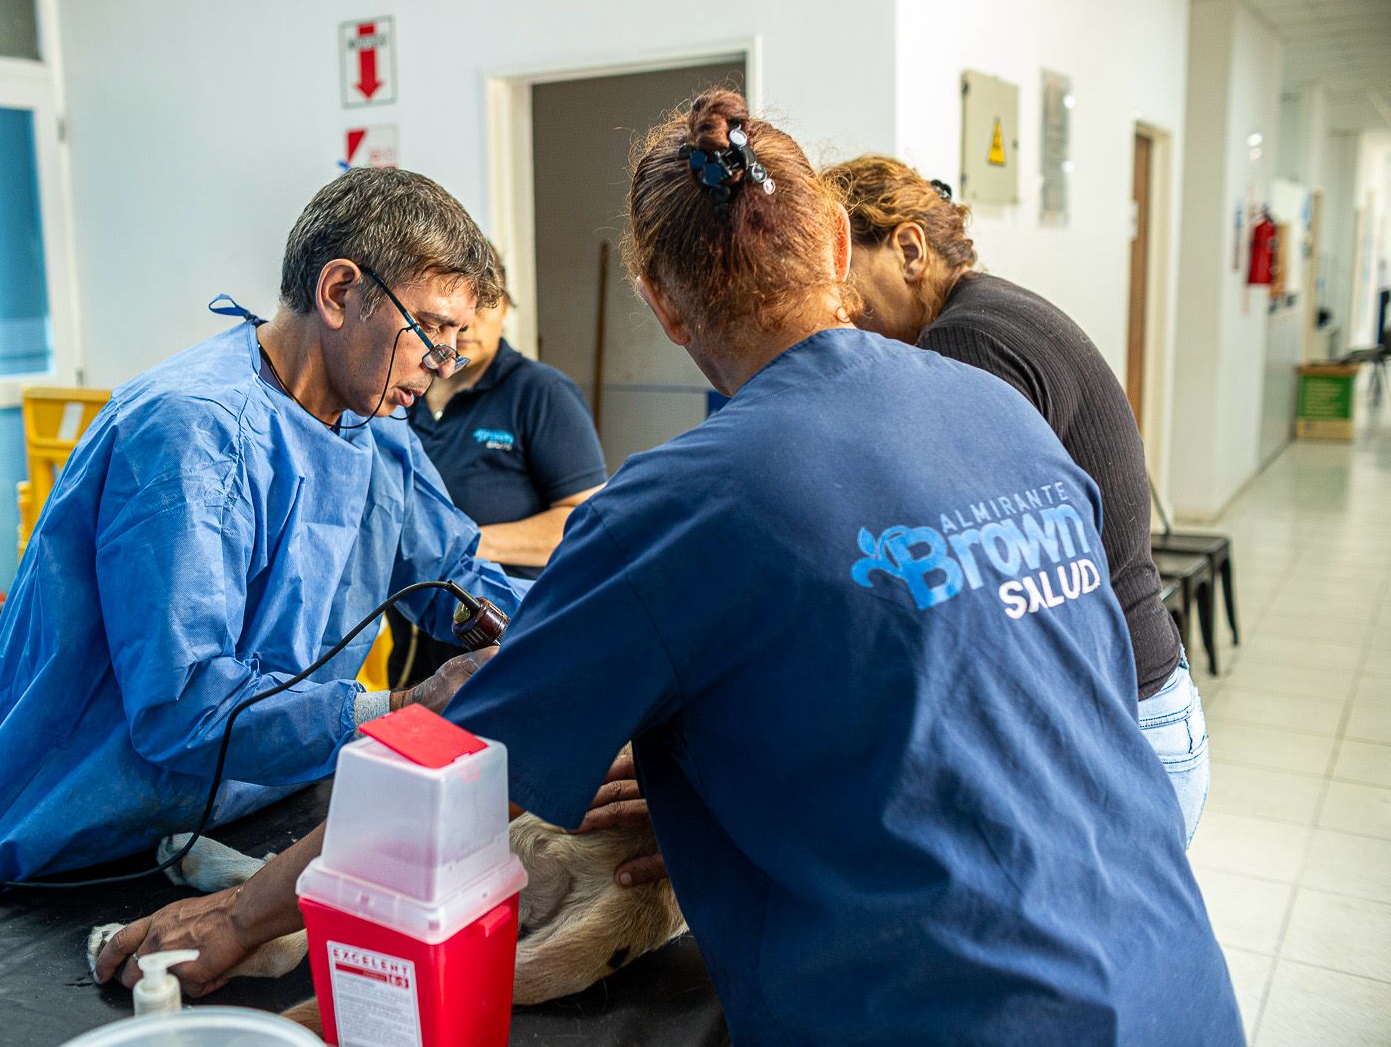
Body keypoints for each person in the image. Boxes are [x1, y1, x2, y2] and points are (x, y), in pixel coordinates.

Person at [96, 91, 1241, 1044]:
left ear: (655, 301)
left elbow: (442, 771)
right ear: (835, 250)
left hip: (941, 1011)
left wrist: (244, 919)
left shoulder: (688, 497)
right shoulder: (1005, 417)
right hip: (1176, 981)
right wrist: (724, 766)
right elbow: (1011, 694)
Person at [0, 168, 524, 939]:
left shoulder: (375, 427)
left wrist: (551, 630)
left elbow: (452, 576)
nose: (439, 365)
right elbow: (183, 708)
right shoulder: (192, 432)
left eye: (457, 345)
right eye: (431, 330)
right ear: (337, 293)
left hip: (249, 806)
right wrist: (400, 709)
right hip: (74, 852)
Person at [821, 154, 1209, 842]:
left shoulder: (962, 341)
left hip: (1122, 725)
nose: (847, 318)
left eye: (848, 286)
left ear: (910, 249)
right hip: (1149, 701)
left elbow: (967, 575)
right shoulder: (996, 309)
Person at [387, 242, 606, 685]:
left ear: (505, 307)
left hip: (499, 630)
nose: (464, 326)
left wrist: (455, 547)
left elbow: (585, 527)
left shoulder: (541, 394)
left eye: (482, 304)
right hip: (415, 633)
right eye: (446, 312)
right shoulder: (400, 393)